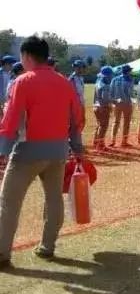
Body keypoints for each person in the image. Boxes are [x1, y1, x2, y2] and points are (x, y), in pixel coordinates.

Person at [0, 36, 84, 269]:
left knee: (8, 203)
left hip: (27, 152)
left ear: (27, 56)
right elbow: (76, 119)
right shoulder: (64, 82)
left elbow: (11, 119)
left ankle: (2, 253)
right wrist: (78, 148)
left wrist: (2, 150)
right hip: (58, 151)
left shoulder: (22, 81)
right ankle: (47, 246)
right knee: (54, 198)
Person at [109, 64, 134, 147]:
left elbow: (111, 91)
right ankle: (124, 141)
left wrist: (113, 101)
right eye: (130, 70)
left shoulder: (115, 79)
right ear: (128, 71)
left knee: (116, 122)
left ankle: (113, 140)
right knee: (126, 122)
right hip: (127, 103)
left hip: (117, 103)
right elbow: (130, 93)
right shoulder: (130, 80)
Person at [93, 66, 114, 150]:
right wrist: (114, 101)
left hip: (96, 106)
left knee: (99, 125)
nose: (112, 76)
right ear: (107, 75)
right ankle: (100, 145)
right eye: (111, 75)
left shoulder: (98, 82)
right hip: (103, 107)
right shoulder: (105, 85)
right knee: (103, 126)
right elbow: (105, 98)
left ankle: (96, 142)